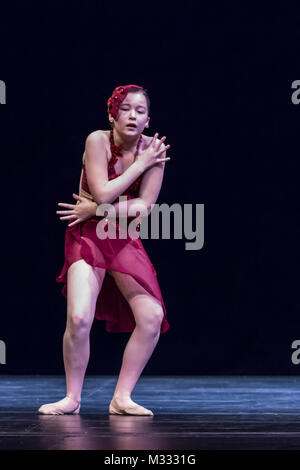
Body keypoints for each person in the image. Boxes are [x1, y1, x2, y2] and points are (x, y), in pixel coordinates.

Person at [38, 84, 171, 416]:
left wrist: (94, 209)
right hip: (87, 235)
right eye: (126, 108)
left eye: (140, 111)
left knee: (152, 317)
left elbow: (144, 206)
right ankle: (72, 397)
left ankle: (121, 397)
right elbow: (103, 192)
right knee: (80, 316)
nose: (133, 116)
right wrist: (138, 168)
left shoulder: (154, 151)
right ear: (113, 113)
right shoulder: (97, 140)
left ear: (148, 119)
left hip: (122, 236)